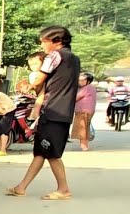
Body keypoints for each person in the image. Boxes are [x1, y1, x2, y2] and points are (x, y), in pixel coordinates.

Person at [8, 26, 81, 200]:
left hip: (54, 111)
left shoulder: (55, 56)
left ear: (57, 41)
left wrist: (29, 85)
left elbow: (39, 79)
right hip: (62, 111)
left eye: (44, 41)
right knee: (40, 152)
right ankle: (21, 187)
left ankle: (63, 189)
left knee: (52, 153)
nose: (42, 45)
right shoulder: (74, 58)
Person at [73, 72, 96, 151]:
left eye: (82, 80)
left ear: (88, 81)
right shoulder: (91, 87)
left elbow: (75, 98)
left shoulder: (86, 88)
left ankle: (84, 146)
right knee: (85, 128)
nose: (79, 81)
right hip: (88, 110)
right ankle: (84, 145)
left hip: (83, 111)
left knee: (82, 128)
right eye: (78, 80)